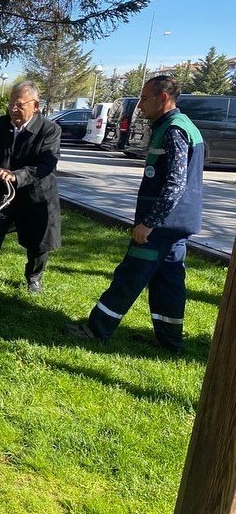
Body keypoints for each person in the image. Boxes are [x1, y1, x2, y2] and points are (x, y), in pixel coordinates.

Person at [67, 76, 204, 354]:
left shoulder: (173, 130)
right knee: (169, 280)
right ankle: (170, 341)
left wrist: (149, 223)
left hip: (161, 225)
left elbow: (176, 183)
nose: (139, 105)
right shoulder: (184, 125)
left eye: (144, 98)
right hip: (179, 223)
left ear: (163, 98)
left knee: (130, 275)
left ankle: (96, 329)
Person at [0, 80, 61, 303]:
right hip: (3, 194)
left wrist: (17, 175)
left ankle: (34, 276)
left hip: (36, 196)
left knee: (38, 242)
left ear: (35, 106)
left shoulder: (50, 130)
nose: (13, 109)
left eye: (19, 104)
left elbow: (46, 164)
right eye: (11, 103)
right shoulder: (1, 124)